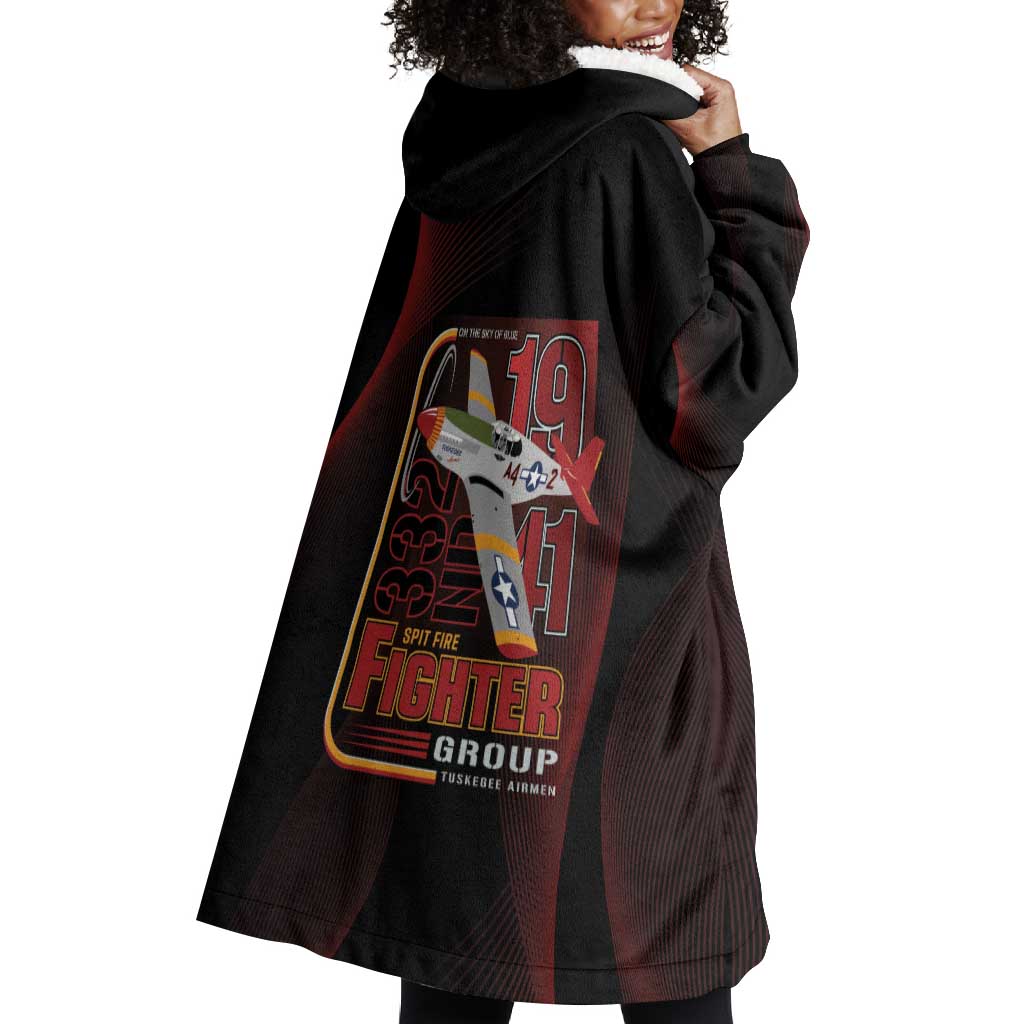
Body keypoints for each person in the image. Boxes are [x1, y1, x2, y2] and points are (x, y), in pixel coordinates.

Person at [197, 1, 809, 1021]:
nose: (655, 2)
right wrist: (735, 179)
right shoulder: (626, 151)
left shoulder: (460, 136)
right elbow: (714, 396)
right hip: (617, 640)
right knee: (669, 934)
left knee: (458, 941)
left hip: (451, 654)